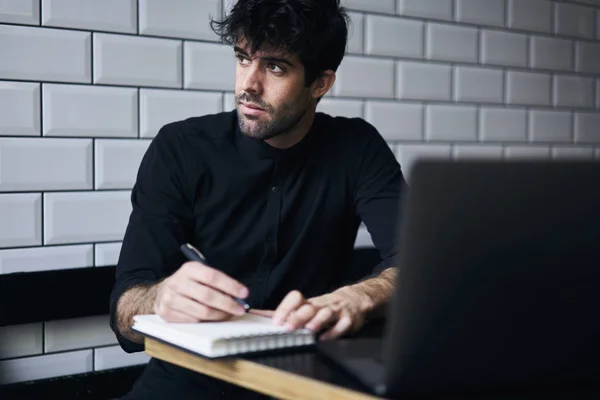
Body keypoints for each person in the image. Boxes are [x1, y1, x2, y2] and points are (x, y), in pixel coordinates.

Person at [110, 0, 407, 398]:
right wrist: (160, 298)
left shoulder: (357, 147)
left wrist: (358, 297)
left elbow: (419, 263)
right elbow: (124, 311)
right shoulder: (180, 148)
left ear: (320, 83)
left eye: (275, 67)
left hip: (303, 380)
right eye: (243, 58)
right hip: (188, 378)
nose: (248, 84)